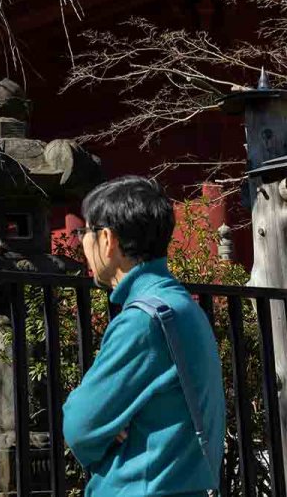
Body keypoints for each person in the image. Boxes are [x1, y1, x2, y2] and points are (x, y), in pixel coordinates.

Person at [62, 175, 225, 497]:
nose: (81, 242)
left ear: (107, 239)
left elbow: (80, 424)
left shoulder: (142, 319)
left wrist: (109, 428)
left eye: (85, 231)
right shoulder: (180, 305)